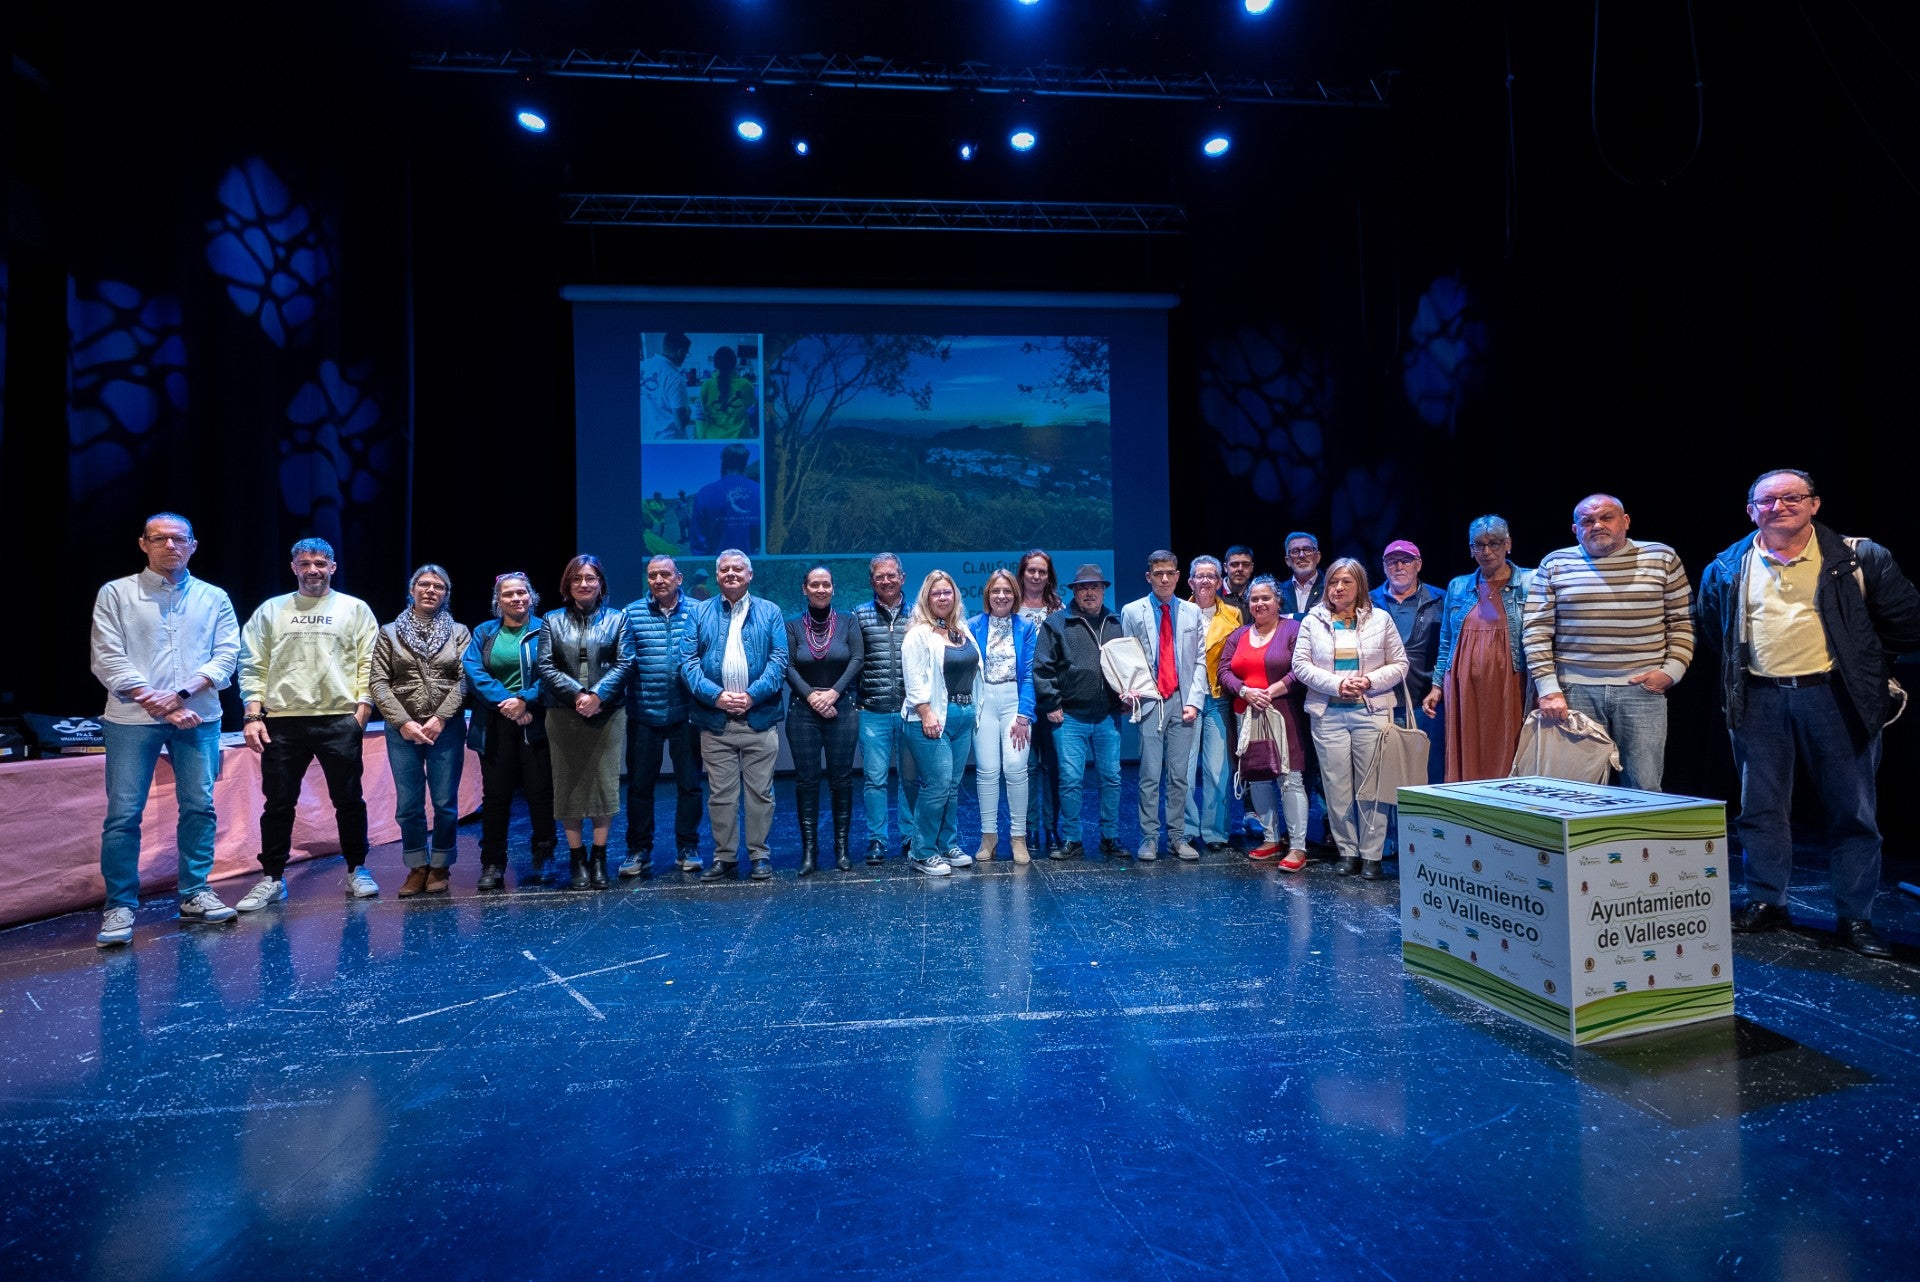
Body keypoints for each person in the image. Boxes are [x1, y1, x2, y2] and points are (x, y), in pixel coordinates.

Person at [1698, 469, 1920, 959]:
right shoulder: (1728, 566)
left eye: (1792, 497)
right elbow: (1714, 630)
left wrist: (1866, 671)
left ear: (1814, 504)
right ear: (1751, 510)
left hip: (1835, 697)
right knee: (1760, 810)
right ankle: (1767, 903)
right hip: (1759, 700)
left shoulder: (1859, 557)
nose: (1780, 507)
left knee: (1853, 813)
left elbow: (1905, 622)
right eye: (1767, 501)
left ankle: (1855, 917)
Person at [88, 512, 241, 946]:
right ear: (143, 544)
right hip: (132, 719)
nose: (170, 546)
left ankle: (195, 894)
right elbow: (107, 656)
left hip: (199, 715)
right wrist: (161, 703)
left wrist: (183, 695)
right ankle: (119, 906)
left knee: (200, 807)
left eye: (178, 539)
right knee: (123, 815)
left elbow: (227, 654)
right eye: (160, 539)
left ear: (193, 544)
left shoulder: (214, 597)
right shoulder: (115, 594)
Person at [235, 537, 380, 910]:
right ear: (293, 567)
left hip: (338, 719)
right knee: (278, 804)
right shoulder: (272, 610)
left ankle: (357, 870)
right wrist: (253, 714)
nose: (312, 569)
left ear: (333, 567)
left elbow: (370, 662)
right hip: (283, 721)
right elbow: (252, 665)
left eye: (320, 563)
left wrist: (362, 709)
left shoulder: (355, 609)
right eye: (304, 563)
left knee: (348, 800)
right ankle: (272, 878)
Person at [1523, 494, 1694, 791]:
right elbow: (1536, 629)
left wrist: (1670, 673)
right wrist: (1549, 689)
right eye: (1587, 521)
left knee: (1644, 787)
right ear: (1576, 529)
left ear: (1625, 522)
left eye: (1606, 517)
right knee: (1574, 790)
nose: (1597, 525)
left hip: (1641, 692)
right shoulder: (1555, 562)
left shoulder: (1661, 557)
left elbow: (1683, 621)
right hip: (1574, 691)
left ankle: (1642, 840)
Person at [1292, 558, 1409, 879]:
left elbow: (1399, 664)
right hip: (1328, 715)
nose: (1338, 588)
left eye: (1346, 582)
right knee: (1337, 788)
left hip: (1371, 714)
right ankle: (1348, 851)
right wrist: (1337, 684)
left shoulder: (1381, 620)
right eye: (1333, 582)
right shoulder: (1312, 621)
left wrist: (1369, 681)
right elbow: (1300, 665)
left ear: (1360, 586)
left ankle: (1371, 855)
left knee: (1371, 788)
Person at [682, 549, 788, 882]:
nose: (731, 573)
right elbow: (687, 662)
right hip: (715, 721)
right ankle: (725, 857)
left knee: (760, 793)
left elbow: (779, 660)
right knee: (721, 795)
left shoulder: (770, 611)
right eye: (724, 569)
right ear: (716, 576)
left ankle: (759, 855)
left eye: (738, 569)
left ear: (750, 575)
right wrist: (716, 697)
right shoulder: (699, 612)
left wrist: (751, 696)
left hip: (759, 717)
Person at [370, 565, 471, 897]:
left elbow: (464, 679)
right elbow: (378, 683)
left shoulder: (459, 632)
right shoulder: (389, 633)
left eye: (438, 586)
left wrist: (441, 717)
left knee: (444, 802)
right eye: (424, 585)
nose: (430, 590)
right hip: (403, 730)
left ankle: (440, 865)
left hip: (447, 728)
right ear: (411, 590)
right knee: (409, 804)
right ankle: (417, 867)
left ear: (446, 593)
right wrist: (404, 722)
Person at [536, 555, 635, 891]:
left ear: (600, 583)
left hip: (607, 713)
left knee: (603, 786)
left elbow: (626, 663)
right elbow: (546, 667)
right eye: (577, 578)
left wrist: (597, 696)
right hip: (563, 713)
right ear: (568, 584)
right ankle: (577, 858)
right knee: (569, 786)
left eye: (590, 578)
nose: (584, 584)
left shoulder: (618, 619)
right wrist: (579, 694)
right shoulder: (551, 620)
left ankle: (599, 857)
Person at [462, 572, 556, 890]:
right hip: (494, 722)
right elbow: (473, 670)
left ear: (531, 596)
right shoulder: (484, 632)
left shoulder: (547, 630)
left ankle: (544, 856)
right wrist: (508, 701)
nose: (516, 599)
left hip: (536, 721)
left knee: (541, 793)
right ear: (498, 600)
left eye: (521, 593)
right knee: (496, 796)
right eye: (508, 595)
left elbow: (555, 672)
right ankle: (492, 863)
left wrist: (525, 700)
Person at [1423, 517, 1535, 782]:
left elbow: (1544, 637)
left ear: (1508, 544)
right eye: (1478, 545)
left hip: (1510, 680)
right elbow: (1447, 640)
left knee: (1509, 748)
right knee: (1466, 750)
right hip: (1463, 686)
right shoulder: (1459, 586)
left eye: (1493, 544)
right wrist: (1437, 684)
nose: (1486, 552)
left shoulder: (1531, 582)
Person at [1034, 563, 1127, 862]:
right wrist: (1052, 703)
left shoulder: (1115, 622)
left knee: (1111, 778)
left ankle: (1109, 838)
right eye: (1083, 587)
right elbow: (1042, 667)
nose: (1089, 592)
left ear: (1103, 590)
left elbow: (1127, 665)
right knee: (1071, 780)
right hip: (1069, 716)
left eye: (1095, 587)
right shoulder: (1057, 623)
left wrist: (1127, 694)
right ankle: (1073, 838)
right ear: (1074, 591)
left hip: (1107, 715)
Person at [1119, 550, 1207, 860]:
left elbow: (1199, 660)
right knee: (1149, 773)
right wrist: (1130, 692)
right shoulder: (1132, 611)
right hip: (1150, 699)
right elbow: (1126, 656)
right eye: (1159, 574)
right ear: (1149, 577)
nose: (1165, 579)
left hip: (1182, 699)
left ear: (1179, 575)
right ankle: (1148, 837)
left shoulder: (1191, 612)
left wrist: (1194, 702)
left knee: (1180, 775)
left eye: (1170, 572)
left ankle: (1177, 836)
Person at [620, 555, 704, 879]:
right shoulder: (632, 612)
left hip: (686, 713)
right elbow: (625, 659)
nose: (658, 580)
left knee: (690, 785)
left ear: (679, 578)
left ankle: (688, 846)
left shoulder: (698, 610)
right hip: (644, 712)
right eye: (652, 575)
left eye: (665, 574)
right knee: (640, 786)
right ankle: (639, 850)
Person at [1218, 576, 1308, 869]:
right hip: (1246, 714)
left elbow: (1302, 669)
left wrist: (1271, 691)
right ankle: (1271, 839)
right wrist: (1245, 691)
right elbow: (1224, 671)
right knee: (1257, 776)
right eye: (1254, 599)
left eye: (1265, 598)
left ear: (1278, 601)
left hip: (1282, 713)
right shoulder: (1239, 634)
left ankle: (1297, 847)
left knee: (1289, 778)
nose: (1259, 604)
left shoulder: (1293, 630)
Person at [899, 570, 981, 875]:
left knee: (953, 786)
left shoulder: (962, 631)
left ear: (955, 596)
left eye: (947, 592)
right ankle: (922, 851)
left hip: (963, 715)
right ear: (926, 598)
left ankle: (947, 844)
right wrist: (925, 710)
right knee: (937, 784)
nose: (942, 597)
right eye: (936, 593)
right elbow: (914, 677)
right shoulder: (918, 634)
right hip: (930, 716)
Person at [785, 565, 864, 875]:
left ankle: (841, 850)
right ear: (804, 588)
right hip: (803, 710)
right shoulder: (791, 625)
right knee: (806, 781)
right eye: (814, 584)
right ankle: (809, 853)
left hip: (841, 706)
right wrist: (813, 697)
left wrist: (833, 693)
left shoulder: (848, 622)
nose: (820, 589)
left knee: (842, 780)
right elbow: (788, 666)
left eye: (826, 584)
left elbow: (857, 660)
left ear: (833, 589)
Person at [969, 568, 1038, 864]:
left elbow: (1030, 674)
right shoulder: (972, 625)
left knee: (1015, 768)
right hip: (983, 701)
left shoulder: (1026, 626)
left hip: (1014, 702)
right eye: (996, 591)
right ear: (987, 595)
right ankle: (989, 837)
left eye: (1007, 591)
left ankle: (1018, 837)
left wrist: (1024, 714)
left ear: (1015, 595)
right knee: (986, 771)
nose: (1001, 596)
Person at [852, 553, 918, 865]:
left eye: (892, 575)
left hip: (910, 711)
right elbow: (853, 662)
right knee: (875, 780)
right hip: (873, 711)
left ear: (902, 578)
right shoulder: (859, 615)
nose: (886, 580)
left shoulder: (919, 614)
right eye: (880, 576)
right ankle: (877, 840)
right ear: (872, 582)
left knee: (909, 779)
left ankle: (910, 838)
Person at [1371, 540, 1445, 787]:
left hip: (1427, 702)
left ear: (1418, 564)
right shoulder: (1368, 602)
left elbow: (1449, 648)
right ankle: (1391, 827)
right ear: (1384, 566)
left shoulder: (1440, 600)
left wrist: (1438, 686)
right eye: (1392, 561)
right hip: (1383, 703)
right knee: (1387, 774)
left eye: (1406, 560)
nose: (1399, 566)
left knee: (1429, 770)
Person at [1184, 555, 1244, 853]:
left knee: (1217, 769)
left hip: (1219, 698)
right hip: (1186, 699)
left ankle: (1215, 831)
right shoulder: (1179, 611)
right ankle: (1185, 829)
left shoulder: (1233, 614)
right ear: (1190, 581)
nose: (1205, 580)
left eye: (1211, 576)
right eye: (1200, 575)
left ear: (1220, 582)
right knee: (1182, 767)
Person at [1016, 550, 1064, 857]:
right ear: (1022, 573)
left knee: (1055, 767)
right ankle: (1030, 829)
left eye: (1042, 571)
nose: (1036, 576)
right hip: (1020, 697)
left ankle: (1052, 827)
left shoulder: (1058, 607)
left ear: (1049, 575)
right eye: (1031, 570)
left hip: (1052, 697)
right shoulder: (1009, 604)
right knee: (1027, 767)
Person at [689, 444, 761, 554]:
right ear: (745, 463)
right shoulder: (760, 491)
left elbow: (698, 545)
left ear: (723, 463)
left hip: (718, 566)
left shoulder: (704, 493)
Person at [641, 330, 692, 440]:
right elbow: (680, 424)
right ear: (680, 352)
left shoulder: (642, 366)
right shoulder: (674, 378)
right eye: (686, 354)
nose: (685, 357)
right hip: (668, 441)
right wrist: (688, 411)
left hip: (646, 438)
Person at [698, 345, 754, 439]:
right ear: (735, 363)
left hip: (713, 439)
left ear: (715, 364)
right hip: (740, 439)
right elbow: (749, 406)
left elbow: (702, 414)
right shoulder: (746, 385)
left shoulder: (706, 386)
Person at [1280, 532, 1325, 620]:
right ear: (1287, 561)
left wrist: (1290, 616)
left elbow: (1329, 618)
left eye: (1307, 550)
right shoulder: (1278, 592)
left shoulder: (1331, 587)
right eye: (1295, 551)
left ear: (1318, 557)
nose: (1301, 555)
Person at [1221, 545, 1258, 616]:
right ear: (1225, 567)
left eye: (1246, 564)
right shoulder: (1213, 594)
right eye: (1234, 565)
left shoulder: (1258, 594)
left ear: (1251, 567)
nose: (1240, 569)